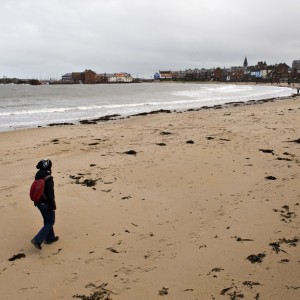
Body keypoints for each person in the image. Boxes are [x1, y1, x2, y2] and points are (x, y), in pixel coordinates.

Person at [31, 159, 58, 250]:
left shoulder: (38, 174)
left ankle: (50, 238)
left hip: (38, 202)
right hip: (46, 203)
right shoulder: (48, 177)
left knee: (47, 220)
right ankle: (37, 240)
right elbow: (50, 193)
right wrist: (53, 206)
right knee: (50, 222)